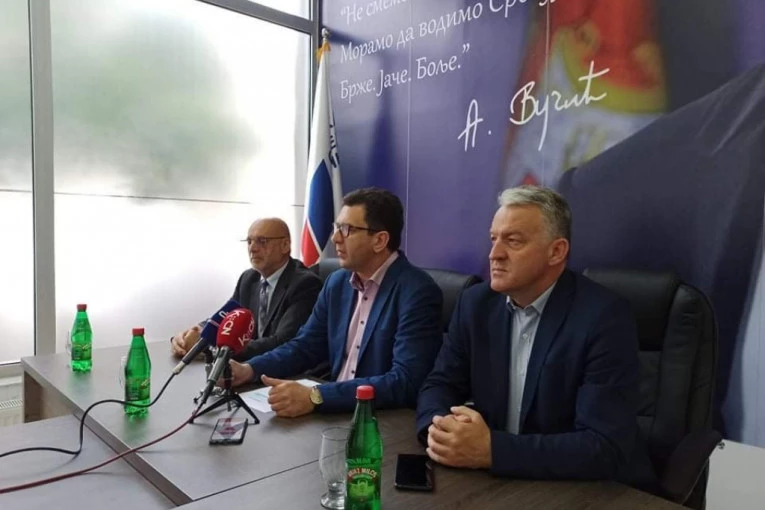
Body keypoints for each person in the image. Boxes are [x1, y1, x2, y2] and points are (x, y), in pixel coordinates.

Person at [416, 185, 656, 490]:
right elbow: (440, 384)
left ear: (556, 251)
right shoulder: (476, 304)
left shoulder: (604, 317)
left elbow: (603, 446)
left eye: (513, 241)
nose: (494, 254)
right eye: (493, 239)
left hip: (584, 490)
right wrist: (440, 430)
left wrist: (492, 450)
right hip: (498, 481)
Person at [227, 187, 443, 418]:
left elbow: (405, 381)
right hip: (332, 411)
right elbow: (305, 346)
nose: (335, 238)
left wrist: (317, 396)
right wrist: (249, 370)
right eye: (336, 227)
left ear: (380, 240)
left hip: (378, 418)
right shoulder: (337, 283)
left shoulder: (417, 291)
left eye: (347, 229)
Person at [170, 218, 322, 362]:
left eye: (262, 241)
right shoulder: (249, 279)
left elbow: (282, 342)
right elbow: (224, 319)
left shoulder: (305, 284)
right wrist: (191, 335)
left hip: (285, 372)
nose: (252, 249)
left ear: (285, 245)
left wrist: (214, 347)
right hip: (248, 367)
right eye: (249, 241)